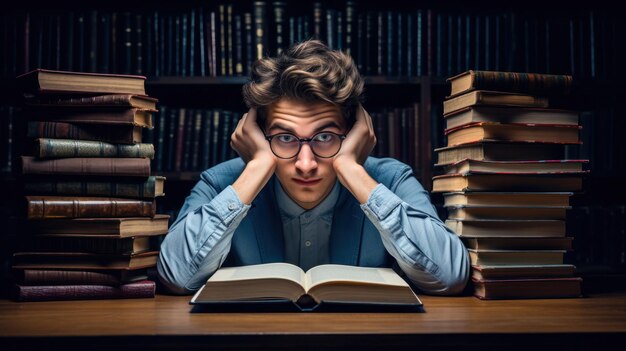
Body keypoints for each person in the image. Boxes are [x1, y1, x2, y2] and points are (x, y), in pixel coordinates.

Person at [157, 39, 469, 295]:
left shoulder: (391, 180)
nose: (306, 165)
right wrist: (257, 167)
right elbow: (176, 277)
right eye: (285, 138)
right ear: (259, 137)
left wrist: (351, 168)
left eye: (324, 136)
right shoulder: (221, 184)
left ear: (353, 134)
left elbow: (451, 276)